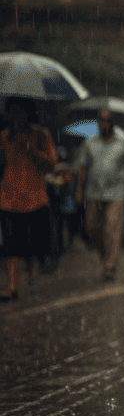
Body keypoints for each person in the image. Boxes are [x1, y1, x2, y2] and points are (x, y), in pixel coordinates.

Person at [0, 99, 57, 300]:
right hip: (9, 198)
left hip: (34, 198)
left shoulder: (41, 135)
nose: (16, 117)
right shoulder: (5, 137)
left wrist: (31, 150)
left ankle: (32, 272)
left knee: (31, 244)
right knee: (10, 245)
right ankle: (13, 285)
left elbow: (52, 164)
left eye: (19, 112)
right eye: (12, 113)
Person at [74, 110, 124, 281]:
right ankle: (105, 258)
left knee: (111, 227)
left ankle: (110, 263)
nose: (104, 124)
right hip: (94, 192)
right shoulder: (89, 143)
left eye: (107, 121)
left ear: (112, 123)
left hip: (116, 193)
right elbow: (83, 168)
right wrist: (79, 190)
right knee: (93, 227)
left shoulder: (123, 144)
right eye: (101, 121)